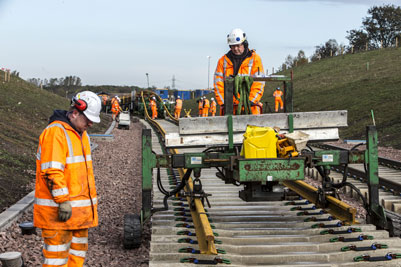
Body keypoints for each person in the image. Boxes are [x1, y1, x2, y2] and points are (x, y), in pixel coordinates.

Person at [33, 91, 101, 267]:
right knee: (56, 261)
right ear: (75, 112)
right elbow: (51, 171)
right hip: (59, 216)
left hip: (78, 217)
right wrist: (63, 201)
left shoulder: (80, 134)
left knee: (76, 259)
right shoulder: (56, 133)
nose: (91, 123)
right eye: (88, 119)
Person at [213, 28, 265, 115]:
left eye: (238, 45)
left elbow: (259, 81)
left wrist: (251, 100)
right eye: (233, 46)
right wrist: (224, 102)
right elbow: (218, 83)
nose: (236, 48)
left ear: (244, 44)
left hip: (250, 108)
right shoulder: (223, 61)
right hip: (229, 109)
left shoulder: (255, 59)